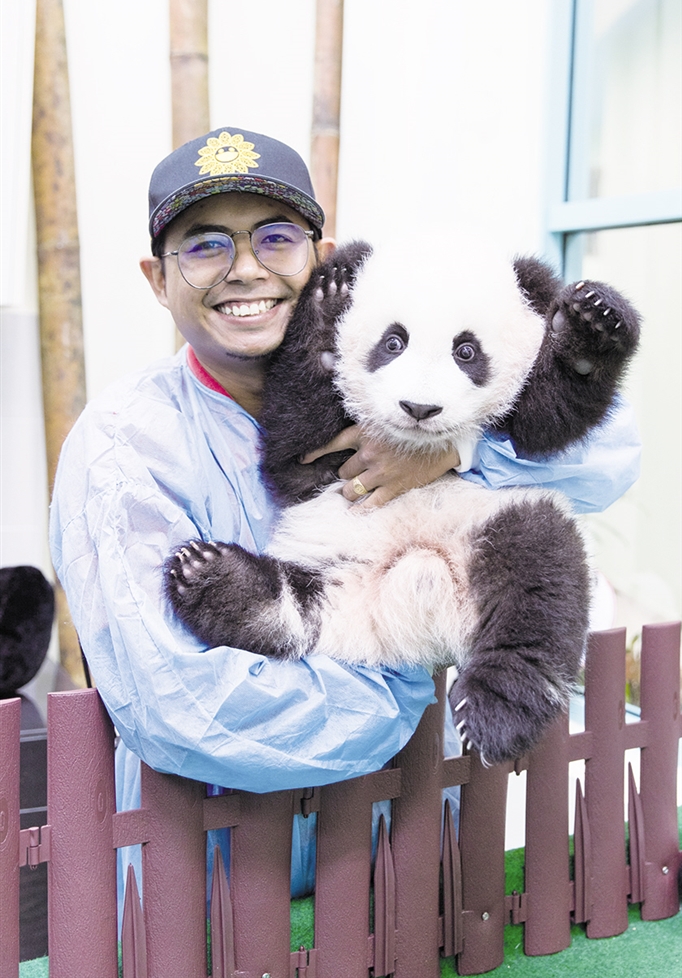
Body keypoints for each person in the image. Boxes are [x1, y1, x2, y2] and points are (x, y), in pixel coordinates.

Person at [49, 127, 640, 898]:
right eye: (204, 246)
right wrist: (398, 660)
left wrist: (456, 452)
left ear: (322, 258)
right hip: (214, 876)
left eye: (275, 238)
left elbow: (608, 456)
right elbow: (181, 703)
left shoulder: (406, 384)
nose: (246, 269)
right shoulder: (124, 443)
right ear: (156, 278)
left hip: (413, 854)